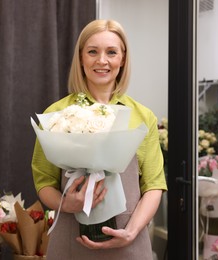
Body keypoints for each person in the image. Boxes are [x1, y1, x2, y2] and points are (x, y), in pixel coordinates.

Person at [31, 19, 167, 259]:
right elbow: (43, 182)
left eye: (111, 52)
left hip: (128, 241)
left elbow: (154, 185)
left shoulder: (143, 116)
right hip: (71, 240)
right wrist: (67, 204)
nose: (101, 60)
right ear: (81, 58)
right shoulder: (57, 113)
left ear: (122, 59)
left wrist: (132, 231)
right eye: (92, 51)